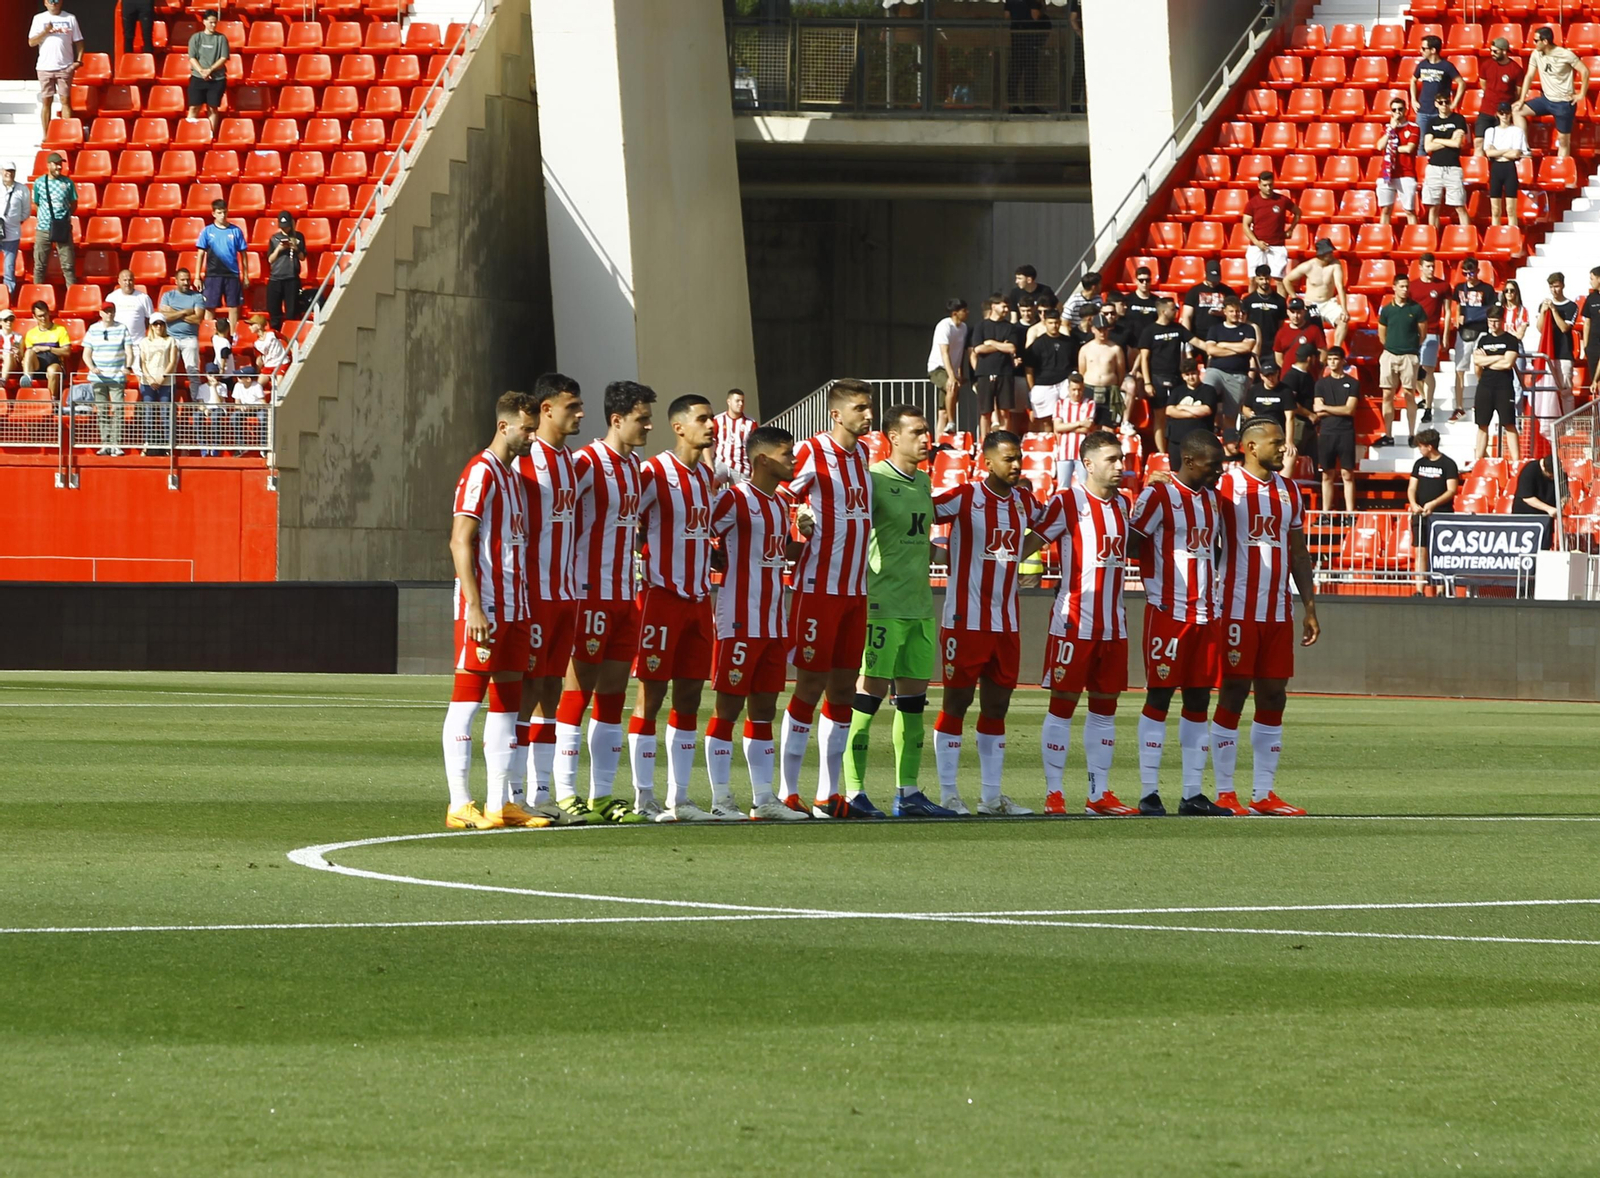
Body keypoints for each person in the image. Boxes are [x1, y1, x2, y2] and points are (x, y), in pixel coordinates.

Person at [546, 381, 654, 823]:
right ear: (617, 419)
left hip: (625, 597)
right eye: (641, 418)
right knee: (577, 692)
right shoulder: (585, 463)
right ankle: (566, 792)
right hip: (588, 595)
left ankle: (604, 795)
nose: (648, 425)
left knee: (613, 694)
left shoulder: (634, 468)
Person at [843, 405, 953, 819]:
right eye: (918, 432)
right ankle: (854, 792)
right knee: (867, 696)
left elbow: (918, 540)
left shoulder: (923, 481)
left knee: (912, 703)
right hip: (882, 607)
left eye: (928, 432)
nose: (927, 439)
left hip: (920, 608)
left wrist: (951, 552)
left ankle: (907, 793)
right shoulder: (873, 481)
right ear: (893, 436)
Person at [442, 390, 545, 832]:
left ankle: (499, 803)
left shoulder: (514, 477)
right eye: (527, 430)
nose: (532, 438)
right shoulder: (481, 471)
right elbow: (459, 539)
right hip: (486, 607)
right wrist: (473, 605)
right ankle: (459, 802)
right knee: (468, 699)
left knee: (507, 704)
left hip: (516, 607)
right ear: (504, 426)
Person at [928, 431, 1038, 816]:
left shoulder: (1024, 499)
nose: (1016, 465)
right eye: (1008, 459)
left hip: (1006, 622)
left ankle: (991, 798)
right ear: (987, 462)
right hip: (965, 620)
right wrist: (933, 551)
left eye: (1019, 458)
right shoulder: (964, 497)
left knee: (997, 706)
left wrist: (1027, 547)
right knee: (957, 702)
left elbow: (1048, 524)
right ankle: (948, 794)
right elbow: (920, 511)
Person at [1213, 417, 1319, 817]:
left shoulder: (1290, 491)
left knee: (1274, 694)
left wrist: (1308, 606)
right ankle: (1225, 792)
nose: (1284, 448)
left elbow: (1298, 552)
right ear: (1251, 447)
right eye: (1276, 442)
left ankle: (1263, 793)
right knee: (1234, 692)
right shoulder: (1225, 487)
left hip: (1277, 611)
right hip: (1236, 608)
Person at [780, 380, 875, 818]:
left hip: (854, 592)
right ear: (836, 414)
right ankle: (785, 791)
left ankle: (827, 793)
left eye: (869, 407)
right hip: (817, 590)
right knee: (809, 685)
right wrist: (795, 524)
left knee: (842, 689)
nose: (868, 415)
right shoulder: (810, 451)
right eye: (860, 408)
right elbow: (775, 496)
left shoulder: (862, 455)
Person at [705, 426, 809, 822]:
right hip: (739, 620)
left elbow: (774, 550)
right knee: (727, 709)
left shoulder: (780, 504)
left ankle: (764, 798)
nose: (793, 461)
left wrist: (803, 543)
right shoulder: (734, 498)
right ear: (762, 460)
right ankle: (720, 798)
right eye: (786, 454)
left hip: (772, 622)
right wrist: (718, 562)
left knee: (764, 710)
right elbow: (701, 533)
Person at [1128, 429, 1235, 816]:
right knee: (1159, 695)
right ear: (1190, 461)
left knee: (1199, 699)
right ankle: (1149, 792)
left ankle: (1192, 793)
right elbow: (1132, 541)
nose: (1218, 472)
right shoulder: (1158, 495)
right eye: (1213, 465)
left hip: (1207, 615)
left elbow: (1216, 548)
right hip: (1168, 613)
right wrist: (1154, 581)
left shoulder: (1214, 500)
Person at [1030, 431, 1136, 816]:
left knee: (1105, 709)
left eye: (1121, 459)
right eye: (1112, 459)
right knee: (1062, 706)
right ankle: (1054, 793)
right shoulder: (1067, 502)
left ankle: (1099, 794)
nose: (1120, 466)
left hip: (1114, 626)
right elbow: (1028, 545)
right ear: (1088, 464)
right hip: (1074, 623)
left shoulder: (1124, 505)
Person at [631, 394, 719, 822]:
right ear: (679, 427)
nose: (712, 425)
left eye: (713, 418)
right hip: (661, 598)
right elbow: (629, 521)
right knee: (650, 694)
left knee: (689, 695)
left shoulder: (705, 476)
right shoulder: (654, 471)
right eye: (703, 419)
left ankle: (679, 798)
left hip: (699, 600)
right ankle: (642, 796)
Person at [511, 373, 585, 824]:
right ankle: (512, 792)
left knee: (552, 690)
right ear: (546, 410)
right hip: (533, 594)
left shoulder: (570, 461)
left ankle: (542, 794)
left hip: (566, 594)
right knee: (526, 689)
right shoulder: (526, 459)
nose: (578, 413)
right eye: (571, 406)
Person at [1515, 26, 1589, 160]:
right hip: (1546, 99)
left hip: (1563, 102)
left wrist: (1581, 94)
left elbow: (1585, 71)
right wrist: (1521, 99)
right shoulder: (1536, 54)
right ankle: (1524, 149)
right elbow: (1529, 76)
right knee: (1516, 111)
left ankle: (1562, 168)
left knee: (1563, 140)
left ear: (1545, 41)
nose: (1534, 43)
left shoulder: (1565, 54)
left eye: (1536, 40)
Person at [1378, 273, 1429, 446]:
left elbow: (1422, 333)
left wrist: (1411, 347)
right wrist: (1392, 347)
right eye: (1401, 286)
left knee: (1409, 394)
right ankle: (1388, 434)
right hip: (1390, 354)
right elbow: (1382, 334)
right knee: (1387, 394)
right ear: (1394, 287)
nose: (1405, 289)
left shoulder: (1416, 309)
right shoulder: (1387, 310)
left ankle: (1411, 433)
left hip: (1409, 355)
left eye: (1407, 286)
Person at [1137, 296, 1191, 454]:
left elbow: (1196, 342)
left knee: (1180, 415)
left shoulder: (1178, 328)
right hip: (1157, 379)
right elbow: (1144, 359)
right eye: (1173, 308)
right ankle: (1161, 453)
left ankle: (1179, 450)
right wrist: (1147, 383)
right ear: (1163, 311)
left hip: (1177, 378)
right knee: (1160, 417)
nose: (1176, 311)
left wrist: (1212, 346)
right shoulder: (1149, 331)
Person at [1407, 429, 1459, 588]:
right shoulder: (1419, 463)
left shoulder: (1448, 464)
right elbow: (1411, 488)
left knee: (1440, 553)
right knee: (1420, 552)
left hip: (1442, 515)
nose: (1419, 449)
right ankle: (1419, 589)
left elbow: (1452, 490)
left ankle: (1441, 589)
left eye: (1421, 446)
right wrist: (1413, 503)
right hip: (1420, 515)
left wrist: (1434, 504)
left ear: (1429, 447)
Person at [1472, 303, 1522, 465]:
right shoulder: (1483, 339)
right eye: (1490, 321)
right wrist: (1497, 358)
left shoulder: (1510, 340)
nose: (1493, 325)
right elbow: (1477, 361)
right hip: (1485, 386)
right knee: (1482, 424)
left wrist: (1487, 361)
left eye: (1496, 321)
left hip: (1504, 387)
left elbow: (1508, 363)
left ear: (1502, 320)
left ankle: (1516, 461)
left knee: (1508, 423)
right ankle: (1478, 460)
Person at [1449, 258, 1497, 423]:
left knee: (1480, 367)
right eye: (1465, 273)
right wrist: (1457, 319)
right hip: (1463, 333)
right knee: (1459, 370)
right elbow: (1458, 307)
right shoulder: (1459, 288)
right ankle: (1459, 407)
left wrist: (1471, 316)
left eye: (1471, 272)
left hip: (1482, 331)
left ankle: (1482, 399)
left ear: (1477, 271)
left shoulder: (1487, 289)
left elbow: (1491, 310)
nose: (1468, 276)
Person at [1312, 345, 1360, 512]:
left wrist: (1327, 408)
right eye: (1329, 359)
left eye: (1335, 359)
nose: (1332, 362)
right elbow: (1318, 409)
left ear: (1342, 361)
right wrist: (1328, 409)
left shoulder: (1352, 383)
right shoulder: (1321, 384)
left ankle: (1350, 512)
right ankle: (1325, 512)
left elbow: (1349, 410)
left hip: (1345, 432)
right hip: (1326, 432)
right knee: (1327, 474)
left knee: (1347, 474)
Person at [84, 302, 133, 455]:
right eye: (106, 311)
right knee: (102, 410)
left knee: (118, 410)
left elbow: (129, 351)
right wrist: (92, 367)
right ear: (101, 313)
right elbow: (86, 353)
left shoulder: (122, 328)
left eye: (111, 311)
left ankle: (116, 444)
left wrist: (128, 366)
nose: (109, 314)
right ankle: (106, 443)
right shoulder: (93, 329)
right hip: (98, 377)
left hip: (117, 376)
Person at [29, 0, 83, 138]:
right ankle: (46, 135)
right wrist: (45, 31)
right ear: (45, 3)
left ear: (61, 2)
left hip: (65, 66)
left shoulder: (70, 18)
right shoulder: (39, 18)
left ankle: (67, 134)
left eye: (56, 0)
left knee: (65, 100)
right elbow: (31, 42)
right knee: (47, 100)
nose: (54, 3)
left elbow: (79, 41)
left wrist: (78, 61)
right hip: (44, 66)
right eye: (50, 1)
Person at [1280, 239, 1347, 347]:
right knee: (1313, 330)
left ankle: (1336, 351)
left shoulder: (1335, 264)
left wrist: (1344, 309)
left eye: (1331, 252)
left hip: (1328, 302)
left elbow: (1340, 286)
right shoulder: (1308, 266)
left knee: (1343, 321)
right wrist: (1295, 297)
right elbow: (1287, 280)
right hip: (1312, 303)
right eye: (1328, 252)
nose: (1331, 254)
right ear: (1321, 254)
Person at [195, 199, 249, 332]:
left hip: (232, 274)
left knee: (234, 306)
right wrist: (197, 276)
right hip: (213, 274)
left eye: (224, 212)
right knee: (210, 306)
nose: (222, 215)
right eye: (219, 212)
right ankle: (210, 335)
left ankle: (232, 335)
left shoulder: (235, 231)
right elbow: (200, 254)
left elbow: (243, 254)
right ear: (213, 213)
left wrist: (245, 275)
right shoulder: (207, 231)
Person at [969, 294, 1017, 443]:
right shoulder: (981, 326)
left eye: (1007, 306)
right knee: (985, 411)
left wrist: (992, 343)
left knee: (1005, 411)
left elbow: (1011, 347)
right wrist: (1000, 345)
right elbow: (978, 349)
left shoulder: (1010, 327)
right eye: (1003, 306)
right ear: (994, 306)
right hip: (984, 372)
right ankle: (984, 441)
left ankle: (1003, 440)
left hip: (1005, 372)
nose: (1006, 309)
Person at [1409, 254, 1451, 424]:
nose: (1430, 269)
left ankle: (1429, 407)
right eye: (1427, 266)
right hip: (1413, 334)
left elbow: (1447, 311)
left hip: (1432, 332)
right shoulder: (1412, 287)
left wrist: (1446, 334)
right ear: (1420, 267)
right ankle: (1425, 397)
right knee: (1413, 371)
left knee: (1427, 370)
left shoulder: (1442, 286)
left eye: (1432, 266)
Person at [1421, 91, 1470, 229]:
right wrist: (1449, 139)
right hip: (1434, 167)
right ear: (1436, 104)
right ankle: (1432, 239)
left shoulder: (1458, 119)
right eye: (1440, 102)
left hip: (1452, 168)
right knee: (1433, 207)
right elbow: (1428, 146)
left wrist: (1437, 139)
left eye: (1446, 102)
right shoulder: (1432, 122)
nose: (1444, 105)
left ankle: (1467, 237)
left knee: (1460, 206)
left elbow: (1457, 144)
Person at [1536, 272, 1578, 436]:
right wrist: (1543, 312)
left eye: (1557, 286)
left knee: (1565, 391)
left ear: (1563, 285)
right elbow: (1540, 328)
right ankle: (1549, 424)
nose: (1554, 290)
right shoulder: (1544, 305)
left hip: (1564, 353)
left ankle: (1568, 424)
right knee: (1548, 391)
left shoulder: (1571, 306)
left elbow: (1564, 328)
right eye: (1551, 286)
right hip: (1548, 353)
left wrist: (1553, 311)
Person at [1241, 359, 1304, 465]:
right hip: (1258, 431)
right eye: (1267, 376)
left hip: (1278, 432)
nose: (1270, 379)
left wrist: (1289, 442)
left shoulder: (1285, 391)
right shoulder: (1254, 390)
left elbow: (1290, 418)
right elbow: (1245, 408)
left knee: (1288, 455)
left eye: (1273, 375)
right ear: (1261, 376)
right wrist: (1251, 415)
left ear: (1278, 373)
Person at [30, 151, 76, 287]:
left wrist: (64, 218)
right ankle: (37, 296)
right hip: (43, 228)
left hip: (62, 227)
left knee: (68, 266)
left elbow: (74, 203)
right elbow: (37, 203)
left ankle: (72, 295)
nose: (58, 167)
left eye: (60, 164)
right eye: (55, 164)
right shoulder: (39, 183)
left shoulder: (67, 183)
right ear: (48, 165)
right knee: (39, 266)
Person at [1242, 170, 1298, 279]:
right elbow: (1245, 225)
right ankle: (1252, 297)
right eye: (1265, 185)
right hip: (1257, 246)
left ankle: (1280, 297)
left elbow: (1298, 212)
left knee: (1279, 278)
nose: (1268, 188)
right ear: (1259, 185)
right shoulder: (1252, 203)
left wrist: (1291, 229)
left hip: (1277, 244)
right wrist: (1256, 242)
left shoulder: (1282, 200)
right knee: (1254, 278)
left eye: (1270, 185)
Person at [1023, 305, 1073, 427]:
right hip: (1043, 384)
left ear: (1060, 323)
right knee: (1044, 420)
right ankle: (1047, 444)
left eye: (1056, 323)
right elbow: (1029, 369)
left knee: (1066, 418)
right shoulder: (1037, 344)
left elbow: (1075, 365)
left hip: (1065, 383)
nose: (1054, 326)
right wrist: (1032, 388)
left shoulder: (1070, 342)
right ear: (1045, 323)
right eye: (1050, 323)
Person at [160, 267, 207, 393]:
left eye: (188, 280)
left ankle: (196, 403)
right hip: (171, 338)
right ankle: (169, 405)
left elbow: (198, 319)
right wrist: (186, 312)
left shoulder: (197, 296)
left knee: (193, 373)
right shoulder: (167, 296)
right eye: (183, 280)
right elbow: (165, 317)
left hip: (190, 338)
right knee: (169, 372)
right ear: (176, 281)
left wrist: (174, 312)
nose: (186, 283)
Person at [1077, 311, 1127, 429]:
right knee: (1089, 425)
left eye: (1105, 329)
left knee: (1109, 427)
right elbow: (1082, 372)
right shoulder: (1085, 349)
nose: (1102, 333)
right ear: (1093, 329)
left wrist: (1114, 386)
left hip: (1110, 390)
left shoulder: (1115, 349)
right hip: (1089, 389)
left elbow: (1120, 372)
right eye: (1099, 330)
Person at [1482, 103, 1528, 227]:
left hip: (1509, 168)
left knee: (1511, 209)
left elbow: (1516, 153)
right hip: (1496, 168)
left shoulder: (1517, 131)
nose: (1504, 115)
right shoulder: (1491, 131)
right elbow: (1488, 152)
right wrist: (1506, 150)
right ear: (1497, 114)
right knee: (1495, 210)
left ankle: (1513, 235)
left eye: (1507, 112)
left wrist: (1497, 151)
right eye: (1501, 112)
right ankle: (1495, 235)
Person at [1375, 97, 1420, 225]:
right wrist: (1390, 130)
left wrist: (1392, 147)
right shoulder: (1387, 129)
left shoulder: (1413, 128)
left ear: (1406, 110)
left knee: (1409, 210)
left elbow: (1409, 148)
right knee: (1385, 210)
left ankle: (1413, 237)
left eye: (1400, 109)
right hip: (1387, 173)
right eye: (1394, 110)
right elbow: (1379, 146)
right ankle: (1383, 238)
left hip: (1406, 173)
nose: (1397, 112)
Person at [929, 298, 969, 436]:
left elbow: (960, 353)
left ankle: (938, 441)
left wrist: (960, 373)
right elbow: (944, 353)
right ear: (955, 313)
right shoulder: (944, 326)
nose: (967, 313)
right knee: (951, 386)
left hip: (952, 368)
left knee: (943, 411)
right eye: (963, 310)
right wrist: (952, 377)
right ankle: (952, 422)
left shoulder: (963, 328)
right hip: (938, 367)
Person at [139, 314, 178, 455]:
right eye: (155, 324)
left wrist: (163, 377)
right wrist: (149, 378)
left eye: (161, 324)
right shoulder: (144, 342)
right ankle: (148, 443)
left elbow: (173, 361)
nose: (158, 326)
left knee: (166, 413)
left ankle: (169, 445)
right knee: (149, 413)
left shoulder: (171, 341)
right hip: (147, 382)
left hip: (166, 382)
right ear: (151, 326)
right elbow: (142, 362)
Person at [187, 9, 231, 136]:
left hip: (216, 79)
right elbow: (192, 57)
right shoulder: (196, 37)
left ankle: (210, 133)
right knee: (194, 107)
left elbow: (223, 58)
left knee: (212, 108)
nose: (213, 25)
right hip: (198, 77)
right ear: (204, 22)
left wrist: (210, 70)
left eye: (215, 23)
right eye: (211, 22)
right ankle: (190, 132)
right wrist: (201, 71)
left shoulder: (221, 39)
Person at [1182, 259, 1237, 356]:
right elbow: (1187, 316)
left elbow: (1237, 314)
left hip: (1220, 336)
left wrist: (1222, 313)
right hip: (1198, 335)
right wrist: (1187, 338)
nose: (1213, 282)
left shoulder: (1227, 291)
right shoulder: (1194, 291)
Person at [1051, 372, 1097, 487]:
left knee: (1084, 486)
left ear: (1083, 388)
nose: (1076, 393)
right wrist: (1080, 423)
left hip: (1083, 453)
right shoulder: (1060, 404)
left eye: (1079, 389)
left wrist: (1065, 427)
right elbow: (1057, 427)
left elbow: (1087, 428)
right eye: (1074, 389)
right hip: (1064, 453)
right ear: (1068, 389)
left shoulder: (1090, 403)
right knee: (1063, 487)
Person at [1478, 37, 1523, 152]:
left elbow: (1518, 92)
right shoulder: (1486, 65)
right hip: (1486, 109)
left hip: (1504, 112)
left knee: (1501, 145)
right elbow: (1483, 84)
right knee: (1479, 142)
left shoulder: (1516, 69)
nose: (1492, 53)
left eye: (1495, 51)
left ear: (1504, 51)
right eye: (1491, 50)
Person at [264, 211, 305, 332]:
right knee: (274, 312)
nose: (285, 229)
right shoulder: (274, 238)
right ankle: (276, 335)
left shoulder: (298, 237)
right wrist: (279, 249)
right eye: (283, 226)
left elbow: (303, 257)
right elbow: (270, 259)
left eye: (287, 225)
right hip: (276, 278)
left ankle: (290, 335)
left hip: (291, 278)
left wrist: (295, 248)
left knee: (291, 312)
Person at [19, 299, 69, 398]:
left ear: (49, 313)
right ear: (34, 317)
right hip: (37, 365)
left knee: (52, 370)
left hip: (55, 363)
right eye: (40, 316)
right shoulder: (31, 333)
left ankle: (52, 400)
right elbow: (29, 356)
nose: (43, 318)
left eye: (45, 314)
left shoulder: (60, 330)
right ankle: (27, 377)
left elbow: (67, 352)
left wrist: (47, 348)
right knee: (28, 352)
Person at [1410, 33, 1462, 118]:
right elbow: (1413, 80)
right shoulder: (1422, 64)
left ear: (1433, 50)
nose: (1420, 51)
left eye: (1423, 48)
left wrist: (1455, 102)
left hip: (1440, 111)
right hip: (1423, 110)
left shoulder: (1447, 66)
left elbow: (1461, 83)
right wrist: (1413, 100)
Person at [711, 388, 755, 483]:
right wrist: (709, 463)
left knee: (742, 494)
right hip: (721, 461)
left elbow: (755, 447)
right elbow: (710, 443)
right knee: (710, 483)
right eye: (737, 401)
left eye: (742, 401)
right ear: (729, 402)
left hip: (741, 466)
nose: (741, 404)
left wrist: (755, 468)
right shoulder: (718, 420)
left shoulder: (751, 423)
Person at [1243, 266, 1287, 356]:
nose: (1264, 282)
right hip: (1253, 343)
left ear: (1270, 278)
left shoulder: (1280, 301)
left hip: (1272, 344)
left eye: (1267, 279)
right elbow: (1244, 321)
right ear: (1256, 279)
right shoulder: (1248, 300)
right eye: (1261, 279)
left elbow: (1281, 324)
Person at [1272, 297, 1325, 372]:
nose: (1296, 316)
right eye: (1292, 312)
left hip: (1309, 376)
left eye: (1299, 312)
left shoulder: (1314, 330)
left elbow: (1322, 351)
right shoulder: (1281, 332)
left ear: (1304, 312)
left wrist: (1318, 369)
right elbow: (1278, 357)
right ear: (1288, 312)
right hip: (1288, 377)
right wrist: (1291, 371)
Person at [0, 163, 28, 300]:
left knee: (9, 268)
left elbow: (25, 213)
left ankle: (8, 297)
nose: (9, 174)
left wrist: (12, 221)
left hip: (12, 234)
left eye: (12, 171)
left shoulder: (22, 189)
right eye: (6, 171)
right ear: (1, 171)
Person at [106, 268, 154, 344]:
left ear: (134, 281)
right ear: (119, 281)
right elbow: (106, 318)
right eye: (125, 280)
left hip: (137, 343)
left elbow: (150, 319)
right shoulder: (111, 297)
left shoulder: (144, 298)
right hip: (117, 343)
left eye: (130, 280)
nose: (127, 283)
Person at [1124, 266, 1162, 331]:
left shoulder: (1157, 300)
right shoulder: (1127, 299)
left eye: (1147, 280)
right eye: (1141, 280)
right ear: (1136, 281)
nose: (1144, 283)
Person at [1582, 267, 1600, 397]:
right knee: (1595, 382)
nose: (1590, 282)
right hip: (1594, 345)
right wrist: (1586, 345)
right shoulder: (1591, 298)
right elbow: (1587, 322)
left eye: (1592, 279)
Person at [0, 310, 20, 387]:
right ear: (1, 322)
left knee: (8, 356)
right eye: (6, 320)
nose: (9, 322)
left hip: (12, 362)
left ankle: (2, 381)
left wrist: (18, 353)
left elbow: (19, 356)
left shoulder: (18, 337)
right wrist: (2, 356)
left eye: (11, 319)